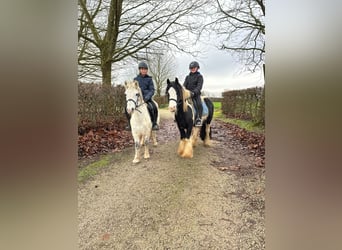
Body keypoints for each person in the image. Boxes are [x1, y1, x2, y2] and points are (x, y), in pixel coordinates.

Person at [125, 61, 159, 131]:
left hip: (147, 98)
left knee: (154, 107)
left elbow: (152, 90)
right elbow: (133, 89)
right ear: (140, 70)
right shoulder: (135, 79)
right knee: (126, 108)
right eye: (142, 69)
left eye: (145, 69)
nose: (143, 70)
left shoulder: (149, 79)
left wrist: (147, 97)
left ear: (147, 70)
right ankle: (129, 124)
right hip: (137, 99)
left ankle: (154, 123)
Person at [183, 61, 203, 126]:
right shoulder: (187, 77)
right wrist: (183, 91)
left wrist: (194, 92)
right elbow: (184, 85)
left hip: (195, 94)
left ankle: (198, 119)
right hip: (187, 94)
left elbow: (199, 87)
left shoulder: (199, 76)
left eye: (194, 68)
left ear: (197, 68)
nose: (193, 69)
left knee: (199, 104)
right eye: (191, 68)